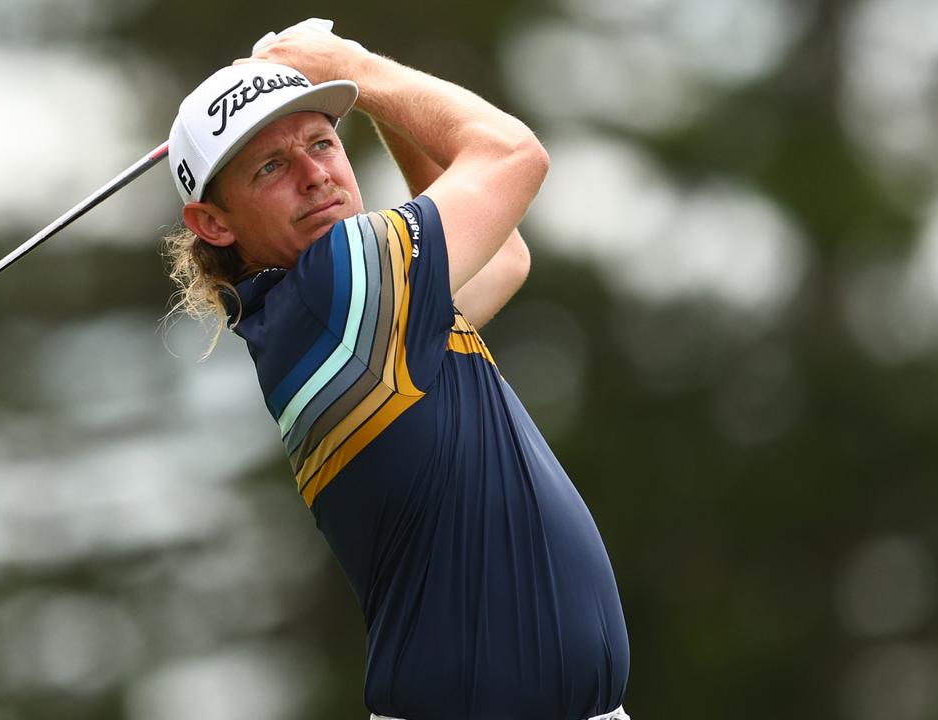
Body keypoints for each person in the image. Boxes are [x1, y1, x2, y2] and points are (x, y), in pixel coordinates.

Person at [162, 20, 631, 720]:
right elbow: (514, 152)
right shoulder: (339, 283)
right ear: (214, 223)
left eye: (322, 142)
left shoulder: (345, 311)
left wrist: (370, 98)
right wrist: (357, 68)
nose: (315, 173)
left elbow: (504, 258)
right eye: (271, 167)